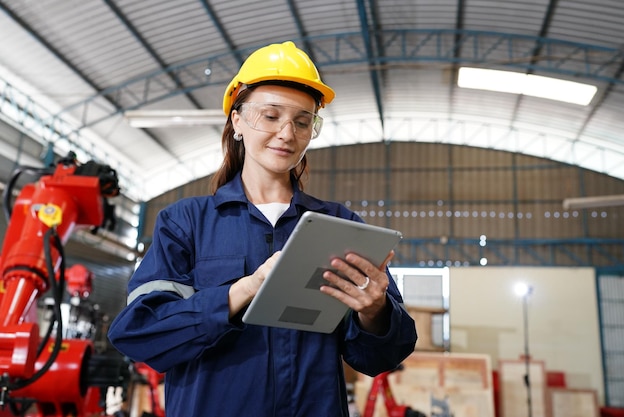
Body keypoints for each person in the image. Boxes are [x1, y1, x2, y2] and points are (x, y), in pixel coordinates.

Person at [107, 41, 417, 417]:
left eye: (302, 121)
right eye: (270, 116)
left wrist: (376, 312)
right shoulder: (186, 222)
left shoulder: (341, 227)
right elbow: (139, 333)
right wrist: (244, 289)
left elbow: (378, 356)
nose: (287, 133)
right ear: (237, 121)